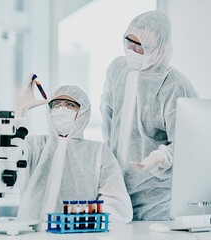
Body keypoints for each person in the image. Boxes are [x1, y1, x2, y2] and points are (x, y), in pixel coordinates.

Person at [100, 10, 197, 221]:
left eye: (141, 47)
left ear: (160, 49)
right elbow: (107, 117)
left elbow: (190, 146)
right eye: (129, 42)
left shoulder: (176, 87)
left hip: (156, 200)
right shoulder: (117, 70)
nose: (132, 50)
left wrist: (161, 157)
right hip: (114, 193)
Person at [14, 74, 133, 224]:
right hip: (30, 233)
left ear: (83, 113)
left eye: (70, 105)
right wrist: (18, 114)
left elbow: (118, 207)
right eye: (56, 104)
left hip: (77, 234)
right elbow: (6, 163)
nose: (62, 108)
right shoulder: (35, 145)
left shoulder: (98, 153)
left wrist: (75, 219)